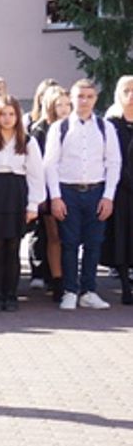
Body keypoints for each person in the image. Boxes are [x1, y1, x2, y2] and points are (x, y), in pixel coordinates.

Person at [44, 79, 122, 309]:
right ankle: (70, 290)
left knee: (94, 243)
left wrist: (108, 196)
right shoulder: (60, 128)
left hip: (96, 191)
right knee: (69, 243)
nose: (84, 101)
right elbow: (50, 164)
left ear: (95, 99)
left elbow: (114, 162)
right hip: (68, 192)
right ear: (72, 98)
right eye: (80, 96)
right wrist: (55, 197)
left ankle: (89, 290)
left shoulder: (105, 128)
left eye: (89, 97)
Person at [0, 96, 45, 312]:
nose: (7, 119)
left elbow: (36, 174)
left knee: (13, 247)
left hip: (17, 194)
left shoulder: (28, 141)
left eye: (11, 114)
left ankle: (11, 294)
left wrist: (33, 204)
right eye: (2, 114)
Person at [30, 85, 72, 301]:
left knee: (71, 237)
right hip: (48, 190)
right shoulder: (41, 130)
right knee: (54, 236)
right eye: (59, 105)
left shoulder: (74, 127)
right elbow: (38, 165)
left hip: (71, 187)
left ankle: (71, 278)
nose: (64, 109)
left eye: (67, 104)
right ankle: (57, 282)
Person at [99, 77, 133, 303]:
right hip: (121, 190)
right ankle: (125, 287)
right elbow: (110, 159)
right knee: (122, 237)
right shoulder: (111, 125)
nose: (131, 95)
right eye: (126, 91)